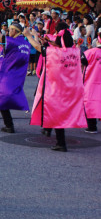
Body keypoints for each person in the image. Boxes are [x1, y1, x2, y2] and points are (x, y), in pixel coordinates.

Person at [25, 22, 88, 151]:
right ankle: (49, 131)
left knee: (56, 113)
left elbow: (38, 48)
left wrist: (30, 36)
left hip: (57, 89)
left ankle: (61, 143)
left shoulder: (53, 53)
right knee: (61, 113)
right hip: (72, 89)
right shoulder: (76, 51)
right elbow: (85, 62)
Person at [0, 11, 30, 133]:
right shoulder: (25, 44)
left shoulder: (11, 42)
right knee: (2, 97)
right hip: (17, 76)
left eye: (10, 30)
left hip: (7, 74)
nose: (8, 31)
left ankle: (7, 125)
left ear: (15, 31)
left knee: (1, 97)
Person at [83, 28, 101, 133]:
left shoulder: (90, 52)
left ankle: (92, 126)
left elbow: (82, 62)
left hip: (91, 82)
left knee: (90, 103)